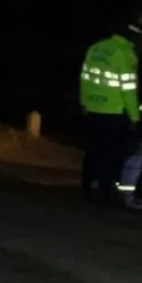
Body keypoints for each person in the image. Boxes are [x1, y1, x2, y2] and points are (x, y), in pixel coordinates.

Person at [80, 15, 141, 205]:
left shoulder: (96, 48)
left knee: (93, 149)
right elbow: (128, 90)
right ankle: (106, 192)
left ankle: (87, 187)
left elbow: (85, 78)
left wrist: (84, 103)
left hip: (93, 106)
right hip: (114, 110)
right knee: (112, 153)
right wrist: (135, 117)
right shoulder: (126, 54)